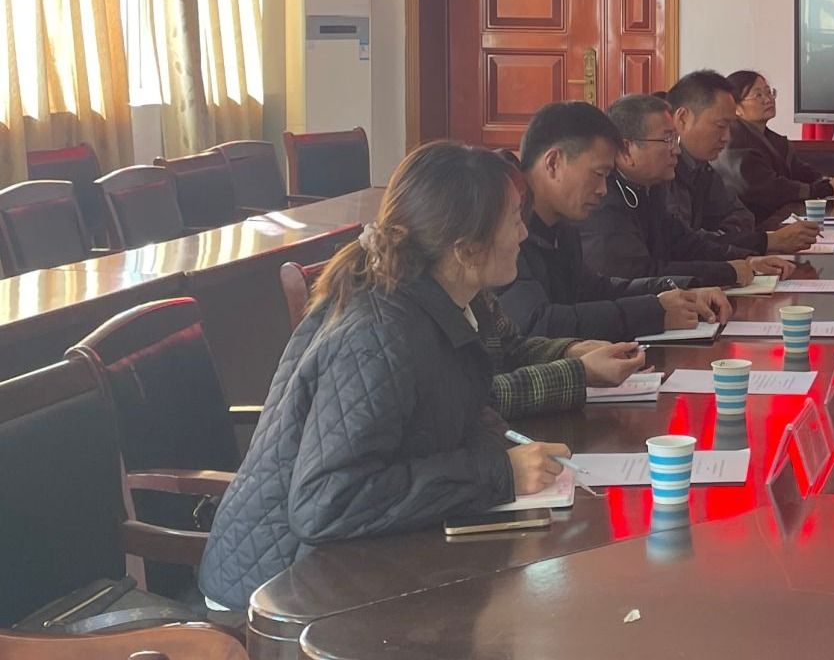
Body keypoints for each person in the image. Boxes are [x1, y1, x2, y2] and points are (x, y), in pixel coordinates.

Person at [199, 143, 571, 610]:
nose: (523, 233)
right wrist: (498, 473)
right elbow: (326, 502)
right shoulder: (381, 333)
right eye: (514, 220)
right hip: (279, 589)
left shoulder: (442, 303)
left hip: (347, 560)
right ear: (465, 249)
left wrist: (504, 454)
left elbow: (451, 416)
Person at [498, 101, 731, 341]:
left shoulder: (560, 225)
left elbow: (595, 290)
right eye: (598, 174)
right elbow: (536, 323)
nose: (603, 189)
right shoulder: (499, 223)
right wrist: (654, 312)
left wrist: (682, 292)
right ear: (553, 163)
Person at [586, 93, 794, 291]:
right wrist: (725, 272)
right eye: (667, 140)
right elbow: (638, 273)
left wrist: (747, 259)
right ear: (626, 150)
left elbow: (684, 243)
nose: (676, 150)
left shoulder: (650, 187)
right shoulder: (602, 200)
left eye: (676, 139)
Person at [666, 70, 819, 256]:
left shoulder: (702, 167)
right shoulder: (662, 172)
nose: (726, 137)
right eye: (721, 126)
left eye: (730, 126)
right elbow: (683, 244)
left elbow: (741, 215)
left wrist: (725, 240)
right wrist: (760, 242)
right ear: (683, 118)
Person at [474, 289, 646, 419]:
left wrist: (570, 351)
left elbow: (511, 349)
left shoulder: (479, 296)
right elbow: (478, 399)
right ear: (467, 254)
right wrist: (580, 371)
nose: (518, 254)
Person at [715, 70, 834, 222]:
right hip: (750, 226)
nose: (768, 99)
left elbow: (798, 171)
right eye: (758, 95)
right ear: (736, 108)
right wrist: (827, 188)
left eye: (768, 92)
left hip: (776, 218)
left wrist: (828, 180)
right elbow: (769, 188)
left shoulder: (772, 139)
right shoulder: (733, 141)